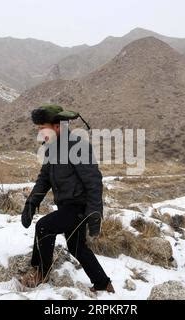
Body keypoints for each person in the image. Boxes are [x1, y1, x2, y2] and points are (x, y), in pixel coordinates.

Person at [18, 105, 115, 293]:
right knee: (76, 246)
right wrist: (31, 203)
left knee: (44, 226)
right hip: (66, 206)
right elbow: (44, 179)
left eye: (41, 128)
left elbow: (94, 180)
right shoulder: (52, 149)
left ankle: (41, 272)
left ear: (56, 126)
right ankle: (103, 284)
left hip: (79, 206)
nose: (39, 133)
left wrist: (95, 213)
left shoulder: (76, 146)